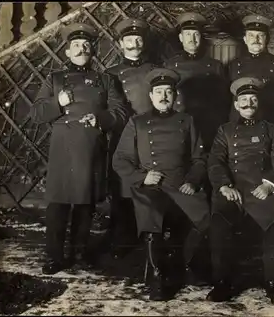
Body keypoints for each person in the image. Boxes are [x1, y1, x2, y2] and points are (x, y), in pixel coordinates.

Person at [30, 23, 130, 275]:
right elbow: (36, 114)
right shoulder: (54, 79)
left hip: (91, 148)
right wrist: (58, 103)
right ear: (67, 52)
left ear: (93, 50)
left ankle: (80, 252)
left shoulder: (106, 80)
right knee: (58, 205)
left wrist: (100, 120)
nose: (81, 49)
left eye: (86, 45)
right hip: (63, 150)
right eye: (76, 45)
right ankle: (54, 256)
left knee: (84, 204)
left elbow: (120, 112)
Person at [112, 68, 210, 301]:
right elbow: (120, 159)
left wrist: (193, 181)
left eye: (168, 91)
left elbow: (200, 158)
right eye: (158, 92)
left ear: (175, 96)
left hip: (180, 183)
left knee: (207, 217)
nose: (163, 96)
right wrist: (142, 177)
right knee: (152, 217)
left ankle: (186, 265)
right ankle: (157, 277)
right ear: (151, 95)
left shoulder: (187, 120)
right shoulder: (137, 122)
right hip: (150, 185)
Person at [206, 77, 274, 305]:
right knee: (219, 225)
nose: (248, 103)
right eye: (243, 99)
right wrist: (224, 185)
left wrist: (269, 184)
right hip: (232, 192)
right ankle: (222, 283)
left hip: (260, 191)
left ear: (259, 103)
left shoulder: (272, 129)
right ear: (236, 104)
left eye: (253, 99)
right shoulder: (224, 130)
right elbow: (215, 161)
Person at [106, 18, 159, 259]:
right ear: (121, 44)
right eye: (130, 40)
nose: (135, 43)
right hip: (122, 135)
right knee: (122, 185)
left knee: (150, 183)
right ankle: (123, 237)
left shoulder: (154, 70)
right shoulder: (111, 74)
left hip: (150, 133)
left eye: (138, 39)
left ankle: (150, 235)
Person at [164, 12, 230, 152]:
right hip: (180, 125)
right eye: (188, 35)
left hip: (209, 126)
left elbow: (224, 101)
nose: (192, 39)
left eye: (196, 35)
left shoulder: (215, 66)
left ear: (201, 38)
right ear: (181, 38)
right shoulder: (170, 66)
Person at [227, 14, 274, 124]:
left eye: (260, 35)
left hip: (271, 123)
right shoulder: (233, 66)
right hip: (240, 125)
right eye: (251, 35)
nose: (256, 40)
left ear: (266, 39)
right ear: (245, 39)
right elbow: (227, 100)